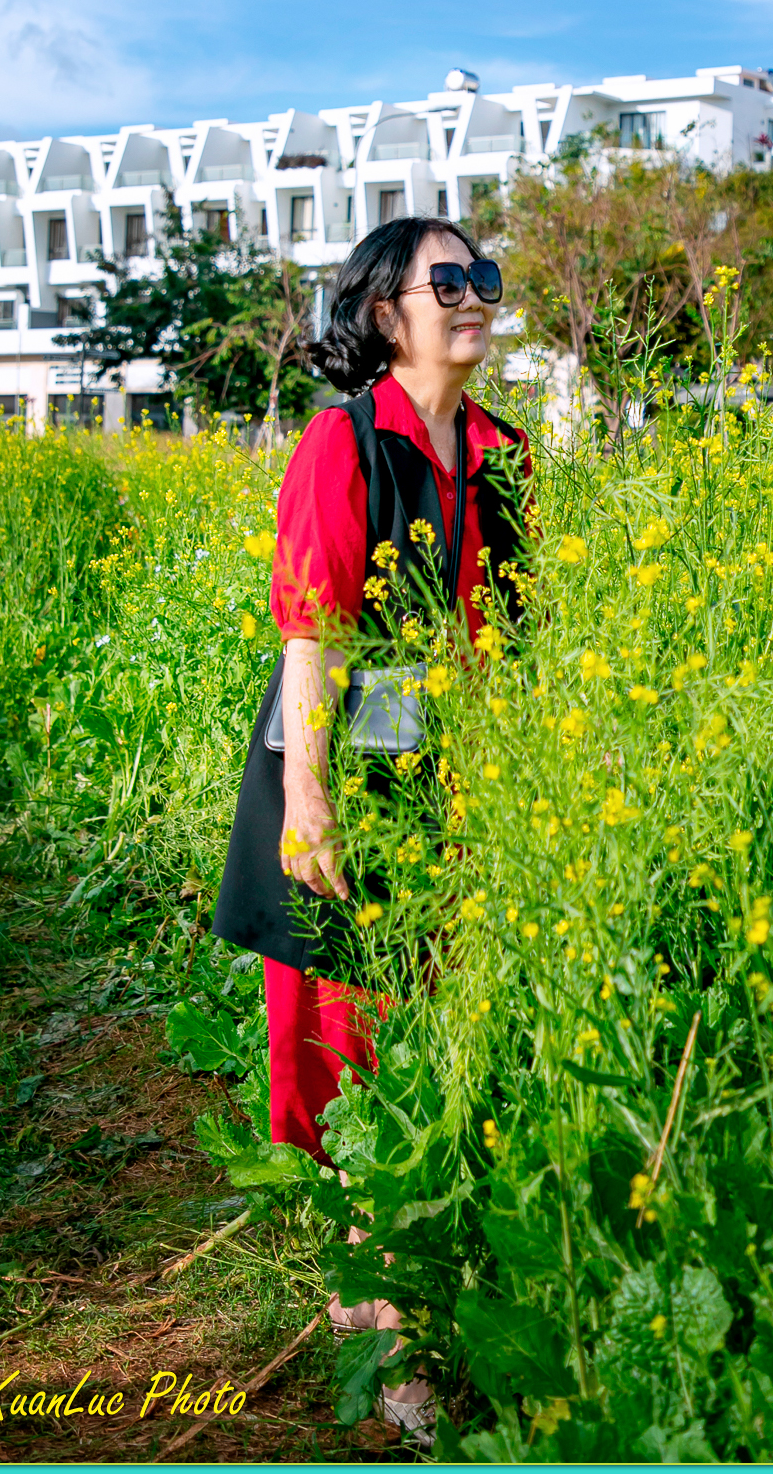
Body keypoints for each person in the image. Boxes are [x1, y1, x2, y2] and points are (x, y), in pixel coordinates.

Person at [210, 215, 530, 1441]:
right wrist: (310, 803)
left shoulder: (504, 452)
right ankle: (387, 1330)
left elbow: (518, 634)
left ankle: (400, 1279)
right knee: (353, 1042)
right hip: (350, 758)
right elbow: (313, 635)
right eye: (448, 280)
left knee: (439, 1030)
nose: (475, 296)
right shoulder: (342, 442)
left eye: (482, 276)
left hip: (461, 770)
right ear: (385, 313)